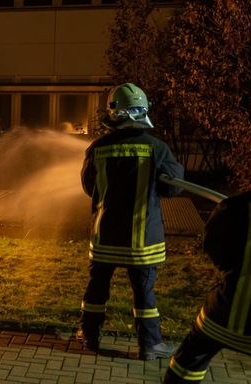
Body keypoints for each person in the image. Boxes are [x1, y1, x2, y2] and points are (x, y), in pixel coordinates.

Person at [163, 116, 251, 383]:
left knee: (185, 365)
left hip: (228, 316)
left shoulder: (238, 207)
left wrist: (239, 271)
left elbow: (215, 247)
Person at [76, 83, 184, 360]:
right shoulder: (157, 148)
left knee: (97, 287)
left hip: (105, 235)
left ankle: (89, 335)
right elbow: (174, 188)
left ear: (113, 111)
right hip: (142, 238)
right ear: (143, 110)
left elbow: (90, 187)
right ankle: (150, 345)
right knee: (144, 293)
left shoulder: (97, 149)